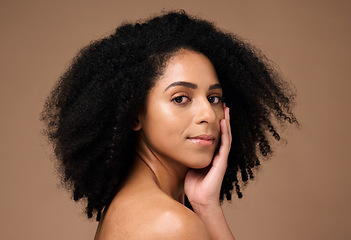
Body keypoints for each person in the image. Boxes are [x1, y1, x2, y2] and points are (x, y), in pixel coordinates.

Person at [41, 10, 298, 240]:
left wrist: (207, 206)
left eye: (214, 98)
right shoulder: (171, 225)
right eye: (181, 98)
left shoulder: (131, 206)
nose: (208, 114)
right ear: (134, 115)